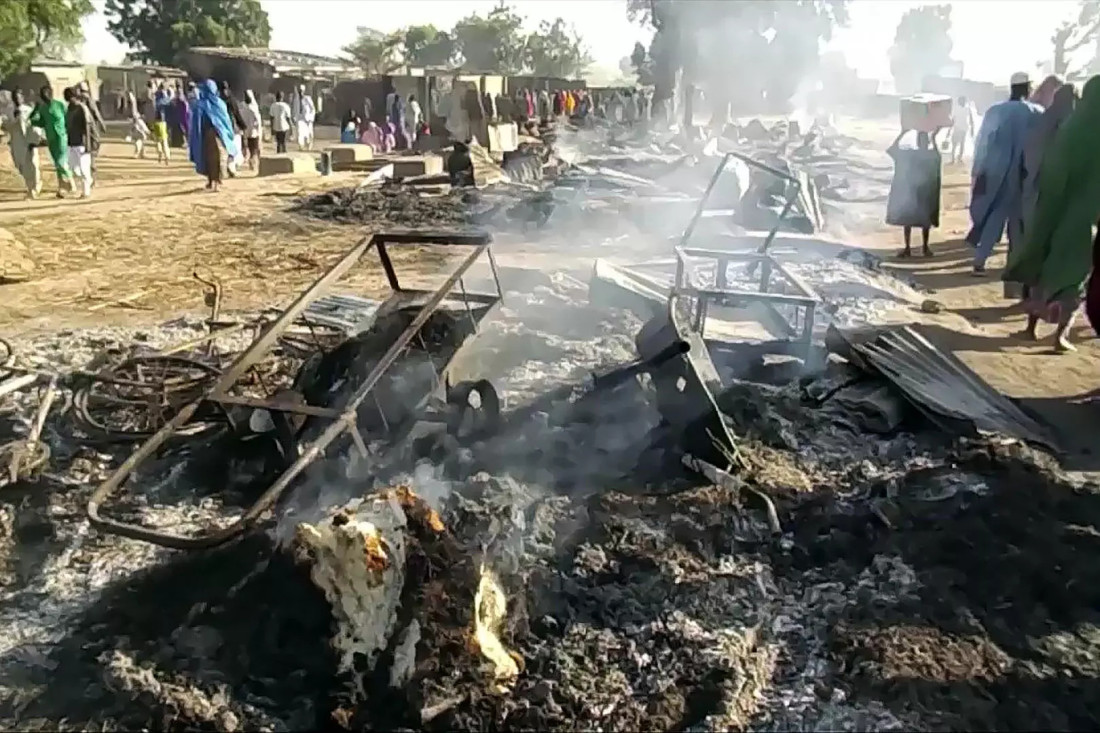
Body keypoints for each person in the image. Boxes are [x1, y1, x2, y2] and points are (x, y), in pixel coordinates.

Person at [1002, 75, 1100, 353]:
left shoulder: (1068, 129)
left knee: (1042, 262)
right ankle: (1060, 336)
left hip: (1051, 209)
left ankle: (1031, 327)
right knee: (1075, 274)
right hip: (1084, 218)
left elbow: (1049, 168)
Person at [966, 71, 1044, 275]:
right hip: (1023, 173)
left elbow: (982, 142)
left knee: (994, 215)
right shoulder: (1036, 112)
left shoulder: (995, 111)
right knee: (1018, 221)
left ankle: (980, 260)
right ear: (1028, 88)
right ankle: (1015, 265)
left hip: (994, 172)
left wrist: (977, 170)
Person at [1005, 81, 1078, 300]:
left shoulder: (1039, 124)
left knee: (1027, 242)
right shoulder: (1072, 128)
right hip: (1055, 198)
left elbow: (1026, 161)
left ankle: (1023, 291)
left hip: (1029, 194)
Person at [886, 128, 942, 258]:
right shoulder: (930, 155)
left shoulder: (910, 154)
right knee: (924, 221)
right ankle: (925, 248)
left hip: (912, 192)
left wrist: (902, 133)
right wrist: (934, 138)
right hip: (925, 193)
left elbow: (892, 150)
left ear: (917, 142)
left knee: (909, 220)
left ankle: (908, 248)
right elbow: (938, 157)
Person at [189, 79, 238, 192]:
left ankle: (213, 181)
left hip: (206, 136)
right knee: (219, 158)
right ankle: (216, 181)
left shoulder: (200, 104)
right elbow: (226, 121)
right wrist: (229, 133)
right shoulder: (220, 103)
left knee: (209, 159)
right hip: (221, 136)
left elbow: (196, 123)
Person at [29, 85, 71, 197]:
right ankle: (62, 187)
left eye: (46, 94)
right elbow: (37, 122)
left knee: (61, 162)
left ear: (50, 94)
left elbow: (68, 119)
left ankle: (69, 183)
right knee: (57, 164)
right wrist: (35, 110)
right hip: (51, 138)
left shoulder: (59, 105)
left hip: (61, 137)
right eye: (42, 95)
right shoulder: (42, 108)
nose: (44, 97)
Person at [4, 89, 42, 199]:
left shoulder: (28, 110)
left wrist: (35, 140)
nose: (17, 99)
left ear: (22, 98)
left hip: (29, 142)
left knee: (32, 165)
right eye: (15, 97)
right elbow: (7, 126)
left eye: (19, 97)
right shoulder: (10, 112)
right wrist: (13, 120)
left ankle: (35, 188)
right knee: (21, 166)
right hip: (17, 143)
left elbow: (35, 125)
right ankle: (30, 187)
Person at [64, 87, 93, 198]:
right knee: (73, 169)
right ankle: (89, 180)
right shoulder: (68, 109)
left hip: (81, 143)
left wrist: (88, 144)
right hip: (71, 143)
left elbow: (87, 126)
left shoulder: (82, 108)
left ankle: (86, 191)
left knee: (83, 168)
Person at [76, 81, 105, 186]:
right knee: (90, 156)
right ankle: (92, 179)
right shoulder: (85, 100)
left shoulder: (83, 100)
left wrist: (101, 123)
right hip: (90, 131)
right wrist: (102, 124)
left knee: (89, 156)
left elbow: (95, 113)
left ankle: (91, 179)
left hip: (88, 131)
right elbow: (96, 113)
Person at [219, 81, 247, 176]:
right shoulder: (231, 100)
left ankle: (226, 168)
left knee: (225, 149)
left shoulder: (217, 100)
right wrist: (242, 125)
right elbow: (236, 114)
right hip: (231, 128)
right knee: (233, 148)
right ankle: (231, 168)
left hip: (221, 128)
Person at [950, 95, 976, 164]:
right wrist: (972, 130)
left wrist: (949, 130)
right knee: (961, 144)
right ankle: (959, 158)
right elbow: (971, 121)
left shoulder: (956, 109)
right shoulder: (967, 109)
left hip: (957, 128)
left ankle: (953, 159)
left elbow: (952, 120)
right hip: (963, 128)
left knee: (955, 144)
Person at [241, 89, 262, 169]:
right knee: (254, 149)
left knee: (250, 148)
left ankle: (251, 162)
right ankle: (253, 163)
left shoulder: (242, 107)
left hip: (246, 132)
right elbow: (258, 121)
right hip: (254, 132)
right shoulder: (254, 108)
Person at [293, 85, 316, 150]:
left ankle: (309, 145)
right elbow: (295, 109)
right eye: (299, 91)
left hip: (308, 119)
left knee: (309, 133)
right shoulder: (296, 99)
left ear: (303, 91)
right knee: (300, 132)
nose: (300, 93)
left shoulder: (307, 98)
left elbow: (312, 109)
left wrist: (311, 118)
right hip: (300, 118)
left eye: (301, 91)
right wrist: (294, 117)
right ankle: (301, 146)